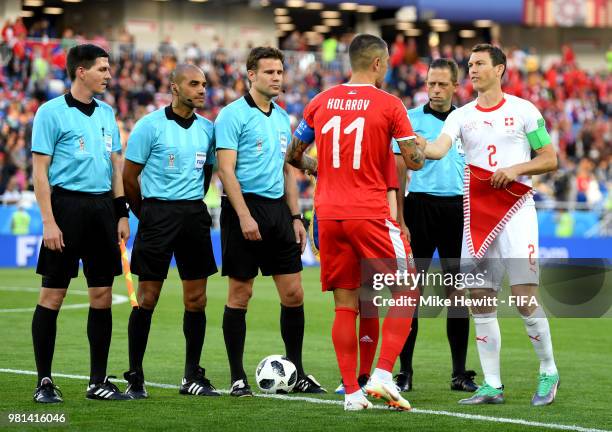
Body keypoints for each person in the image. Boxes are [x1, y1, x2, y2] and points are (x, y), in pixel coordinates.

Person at [286, 33, 425, 411]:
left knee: (345, 305)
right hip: (369, 212)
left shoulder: (321, 101)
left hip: (329, 215)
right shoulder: (390, 104)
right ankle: (381, 374)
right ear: (379, 64)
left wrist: (320, 167)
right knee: (408, 289)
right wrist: (419, 145)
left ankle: (351, 392)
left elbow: (294, 154)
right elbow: (413, 161)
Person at [424, 44, 559, 406]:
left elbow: (549, 158)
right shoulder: (461, 116)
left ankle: (548, 371)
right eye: (469, 64)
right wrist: (414, 145)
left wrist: (515, 169)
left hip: (517, 209)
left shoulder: (524, 111)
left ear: (499, 69)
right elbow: (438, 149)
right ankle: (492, 385)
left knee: (523, 297)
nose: (472, 69)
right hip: (478, 216)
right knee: (480, 299)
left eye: (479, 63)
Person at [215, 46, 325, 397]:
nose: (277, 78)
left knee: (293, 293)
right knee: (240, 293)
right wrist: (245, 215)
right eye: (269, 72)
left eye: (280, 72)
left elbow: (287, 171)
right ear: (251, 75)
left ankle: (298, 371)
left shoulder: (281, 117)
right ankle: (236, 376)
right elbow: (225, 170)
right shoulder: (231, 115)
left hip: (278, 212)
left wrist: (295, 216)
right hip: (243, 210)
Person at [30, 44, 130, 403]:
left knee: (101, 296)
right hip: (65, 207)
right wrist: (49, 222)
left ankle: (98, 381)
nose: (108, 74)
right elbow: (39, 173)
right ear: (81, 71)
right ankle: (44, 381)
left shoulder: (107, 113)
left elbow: (115, 166)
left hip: (102, 210)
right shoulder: (50, 113)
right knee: (52, 295)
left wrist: (121, 212)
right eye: (102, 69)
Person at [122, 64, 219, 399]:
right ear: (175, 87)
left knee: (197, 299)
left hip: (193, 214)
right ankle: (135, 375)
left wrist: (189, 203)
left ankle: (191, 375)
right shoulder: (150, 126)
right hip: (157, 213)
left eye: (204, 84)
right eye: (194, 84)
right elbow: (129, 176)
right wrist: (144, 212)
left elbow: (206, 173)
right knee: (147, 298)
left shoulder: (208, 129)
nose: (202, 90)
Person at [392, 58, 477, 393]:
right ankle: (405, 372)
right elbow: (398, 173)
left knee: (458, 294)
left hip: (459, 210)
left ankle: (459, 373)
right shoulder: (410, 119)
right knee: (411, 292)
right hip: (420, 207)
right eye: (431, 84)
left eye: (443, 84)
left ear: (455, 86)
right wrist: (399, 219)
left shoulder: (467, 120)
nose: (436, 90)